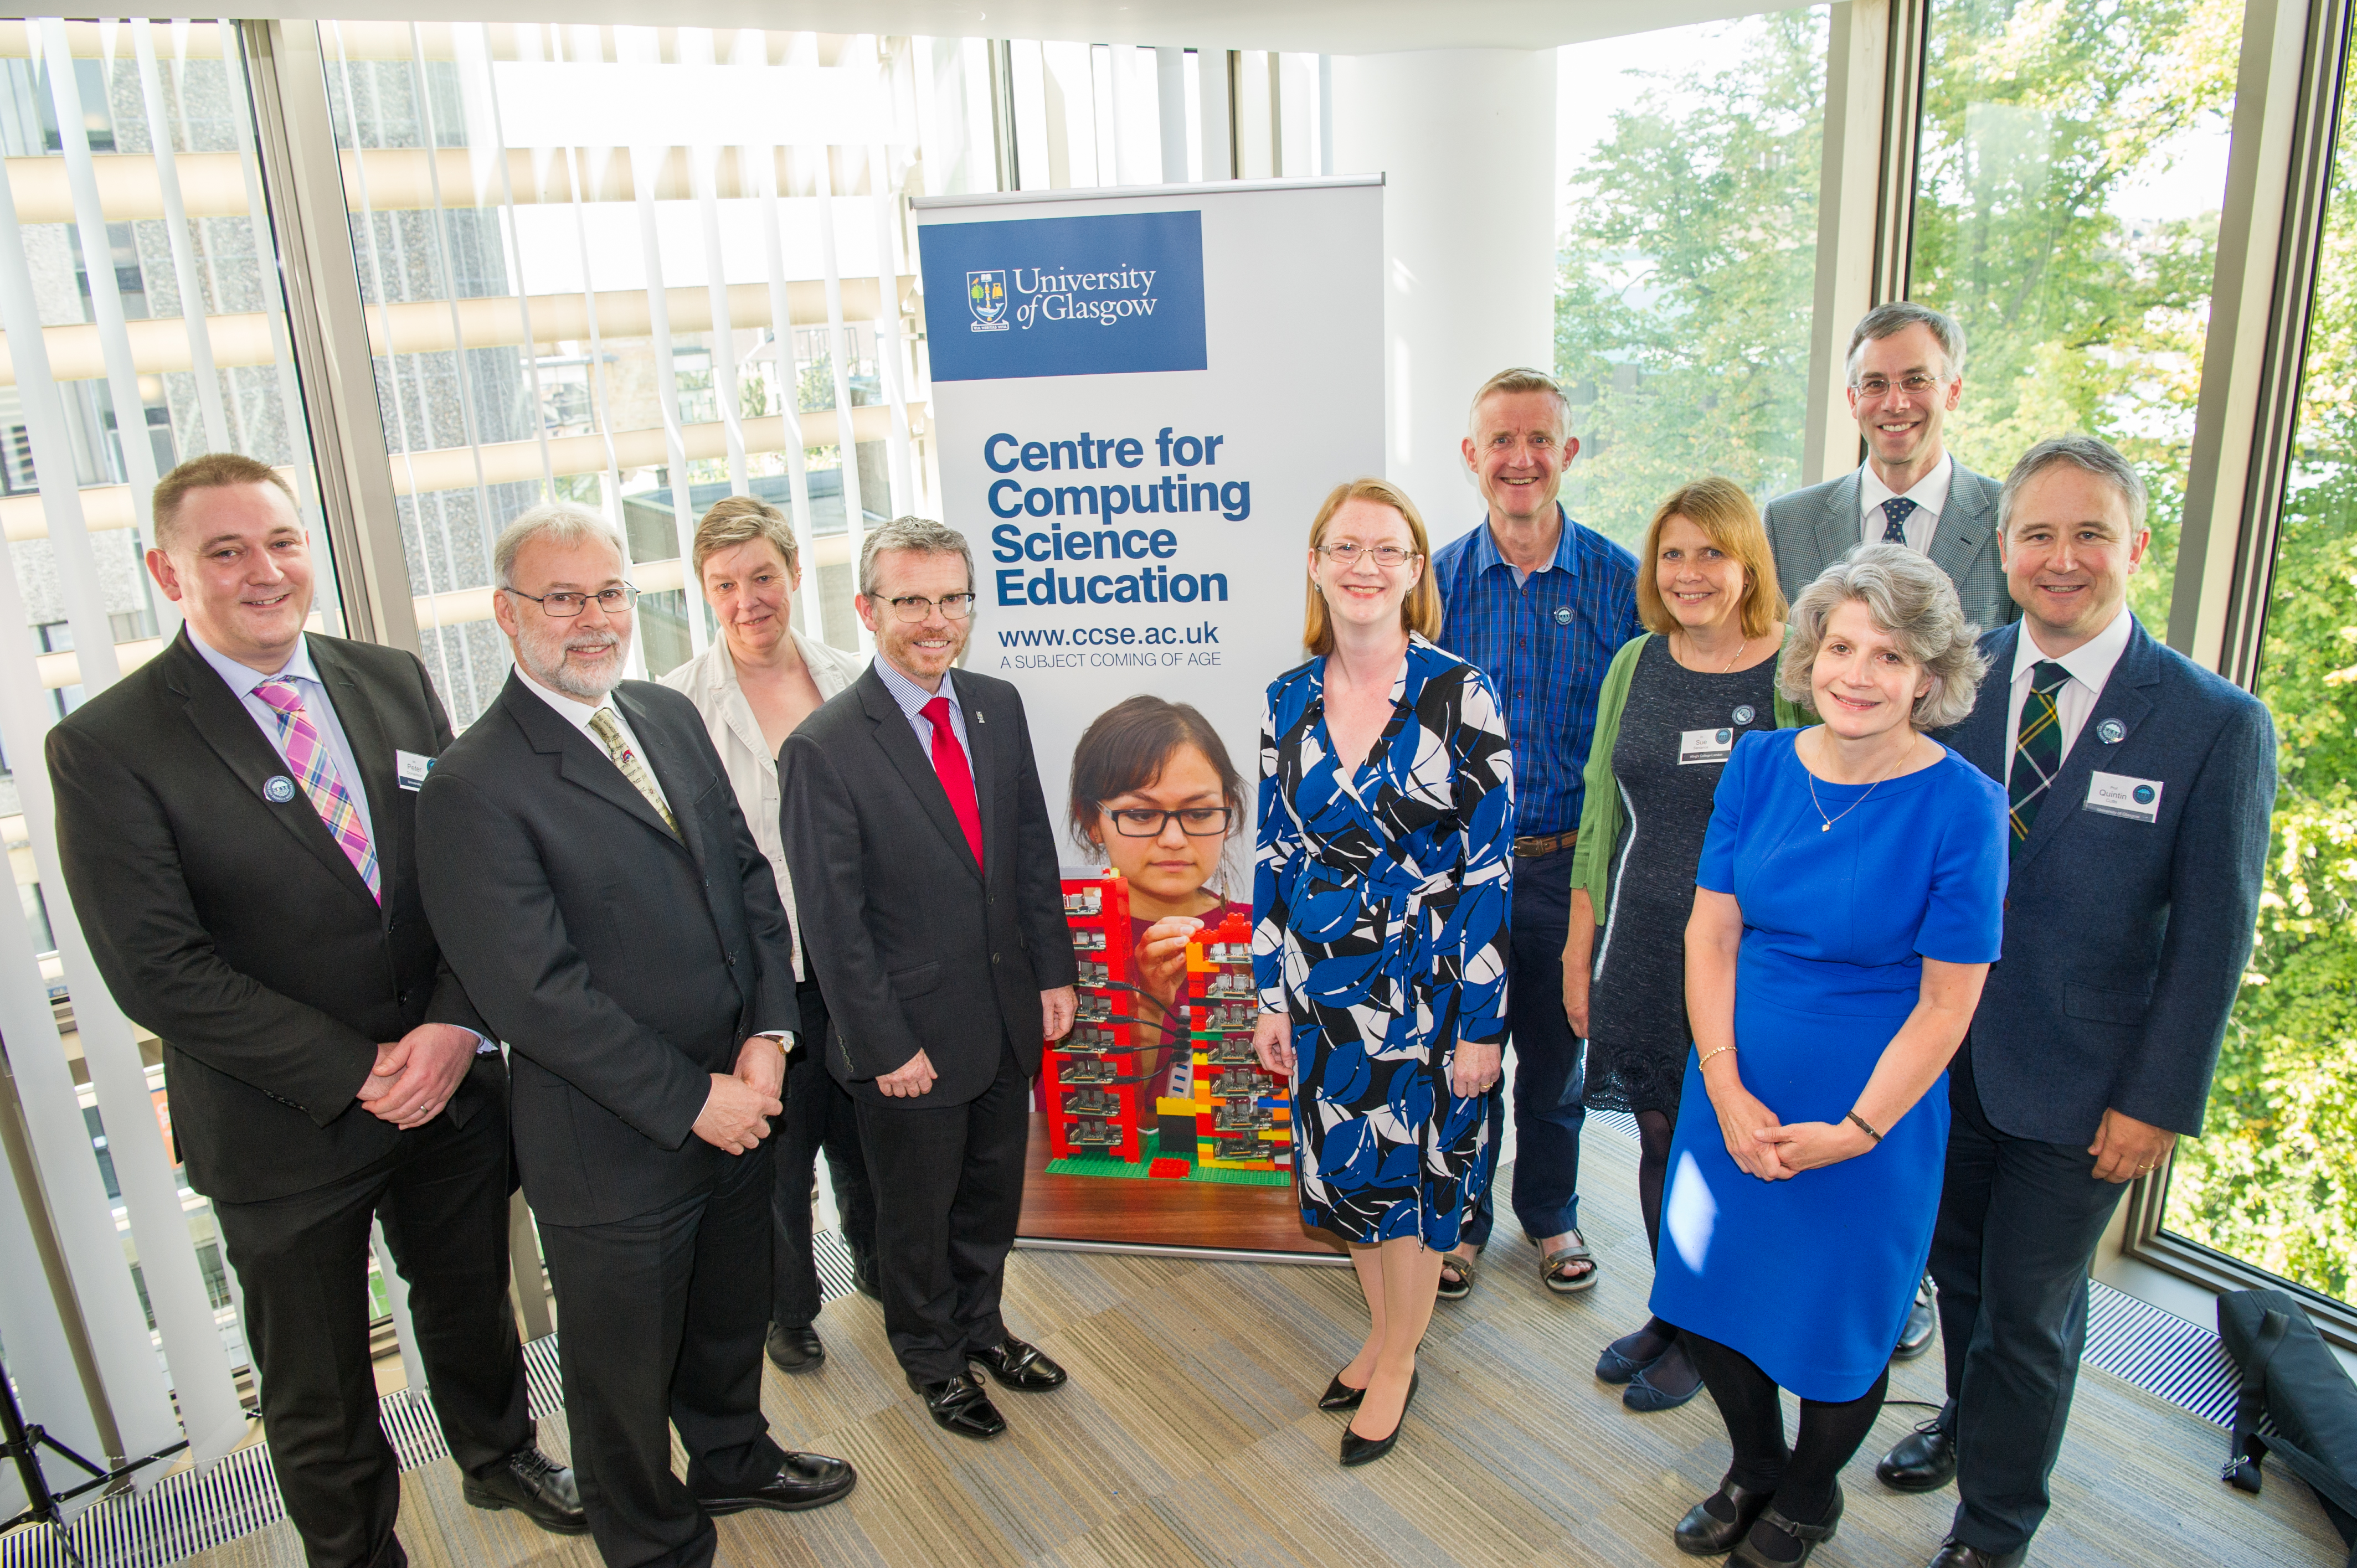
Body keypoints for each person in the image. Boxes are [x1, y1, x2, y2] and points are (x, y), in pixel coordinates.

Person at [46, 455, 581, 1568]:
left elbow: (468, 871)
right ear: (167, 572)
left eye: (282, 541)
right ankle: (355, 1552)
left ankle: (499, 1458)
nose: (265, 571)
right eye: (226, 551)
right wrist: (360, 1068)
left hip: (449, 1085)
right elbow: (157, 968)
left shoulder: (391, 679)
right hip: (282, 1121)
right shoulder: (107, 745)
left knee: (471, 1302)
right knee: (319, 1377)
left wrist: (453, 1025)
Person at [417, 503, 855, 1568]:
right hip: (613, 1136)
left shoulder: (660, 710)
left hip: (739, 1094)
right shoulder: (473, 783)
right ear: (506, 613)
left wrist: (769, 1035)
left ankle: (733, 1455)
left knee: (726, 1310)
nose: (594, 618)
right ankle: (649, 1537)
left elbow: (747, 876)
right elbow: (535, 996)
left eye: (610, 593)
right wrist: (695, 1097)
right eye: (562, 597)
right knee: (620, 1367)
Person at [1871, 437, 2276, 1568]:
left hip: (2087, 1086)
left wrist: (2158, 1102)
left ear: (2135, 545)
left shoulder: (2213, 723)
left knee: (2030, 1312)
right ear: (2003, 548)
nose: (2062, 558)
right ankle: (1964, 1422)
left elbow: (2213, 940)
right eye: (2038, 534)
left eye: (2089, 533)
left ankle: (1994, 1528)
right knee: (1959, 1276)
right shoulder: (1949, 682)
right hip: (1939, 1060)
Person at [1652, 543, 2007, 1568]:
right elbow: (1711, 933)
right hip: (1733, 1081)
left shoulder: (1963, 805)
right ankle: (1755, 1464)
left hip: (1872, 1111)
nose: (1858, 674)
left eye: (1890, 656)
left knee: (1840, 1325)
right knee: (1705, 1292)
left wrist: (1857, 1129)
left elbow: (1948, 1003)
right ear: (1810, 655)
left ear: (1928, 678)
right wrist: (1723, 1084)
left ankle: (1809, 1494)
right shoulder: (1760, 764)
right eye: (1842, 647)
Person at [778, 516, 1080, 1443]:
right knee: (915, 1219)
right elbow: (832, 924)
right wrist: (883, 1045)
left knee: (990, 1197)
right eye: (911, 600)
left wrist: (1053, 972)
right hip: (907, 1039)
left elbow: (1029, 851)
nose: (935, 620)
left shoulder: (995, 705)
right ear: (868, 610)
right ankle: (932, 1359)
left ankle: (982, 1327)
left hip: (1002, 1014)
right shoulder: (824, 746)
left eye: (952, 599)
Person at [1254, 477, 1512, 1467]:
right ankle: (1380, 1334)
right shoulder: (1285, 698)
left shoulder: (1461, 693)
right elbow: (1275, 855)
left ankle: (1399, 1359)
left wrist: (1483, 1025)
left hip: (1431, 986)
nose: (1365, 567)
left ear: (1415, 570)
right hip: (1324, 987)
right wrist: (1270, 996)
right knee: (1352, 1173)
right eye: (1346, 548)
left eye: (1386, 550)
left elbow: (1488, 869)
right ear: (1316, 564)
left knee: (1414, 1182)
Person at [1563, 478, 1794, 1415]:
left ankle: (1717, 1334)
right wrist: (1580, 951)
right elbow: (1598, 815)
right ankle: (1676, 1311)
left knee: (1724, 1147)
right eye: (1672, 554)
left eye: (1711, 553)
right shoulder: (1635, 663)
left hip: (1751, 957)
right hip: (1645, 939)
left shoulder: (1795, 673)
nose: (1689, 573)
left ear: (1749, 565)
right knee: (1659, 1134)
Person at [1430, 366, 1641, 1301]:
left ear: (1569, 452)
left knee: (1558, 1062)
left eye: (1539, 440)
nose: (1521, 459)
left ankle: (1551, 1211)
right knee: (1464, 1059)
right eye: (1502, 441)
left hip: (1565, 866)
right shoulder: (1433, 585)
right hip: (1460, 873)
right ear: (1471, 455)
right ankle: (1462, 1222)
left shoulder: (1620, 584)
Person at [660, 495, 877, 1376]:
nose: (747, 600)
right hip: (761, 972)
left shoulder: (851, 678)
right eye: (725, 585)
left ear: (793, 573)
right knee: (779, 1155)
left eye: (762, 577)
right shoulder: (673, 705)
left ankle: (882, 1270)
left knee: (866, 1133)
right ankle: (789, 1310)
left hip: (854, 959)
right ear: (704, 593)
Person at [1766, 301, 2016, 634]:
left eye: (1916, 380)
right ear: (1853, 399)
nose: (1895, 404)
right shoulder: (1786, 525)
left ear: (1953, 392)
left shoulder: (2011, 516)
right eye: (1875, 384)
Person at [1067, 696, 1249, 1146]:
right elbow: (1094, 1119)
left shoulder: (1265, 937)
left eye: (1199, 813)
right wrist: (1148, 1003)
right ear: (1092, 820)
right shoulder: (1060, 942)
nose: (1173, 839)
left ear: (1227, 813)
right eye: (1142, 814)